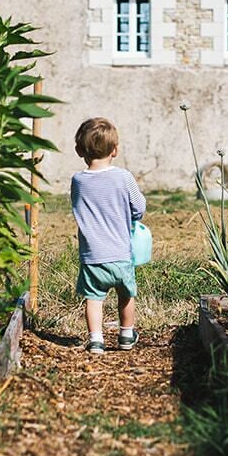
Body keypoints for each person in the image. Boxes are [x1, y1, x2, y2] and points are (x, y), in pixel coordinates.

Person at [70, 117, 146, 355]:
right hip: (121, 253)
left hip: (92, 255)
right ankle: (126, 334)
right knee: (126, 294)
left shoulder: (78, 181)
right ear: (115, 150)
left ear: (79, 151)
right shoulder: (124, 177)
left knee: (94, 298)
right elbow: (139, 207)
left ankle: (96, 340)